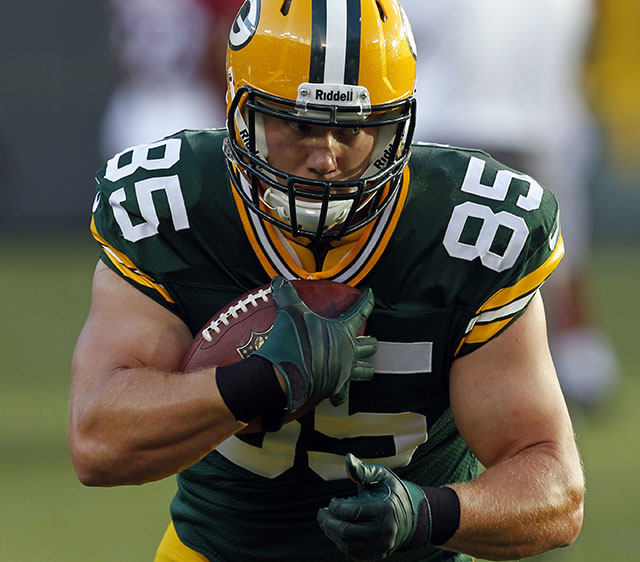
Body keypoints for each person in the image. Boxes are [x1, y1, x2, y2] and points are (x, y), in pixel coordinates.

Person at [69, 1, 584, 561]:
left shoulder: (466, 233)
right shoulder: (181, 208)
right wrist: (257, 380)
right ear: (244, 116)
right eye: (299, 125)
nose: (326, 157)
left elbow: (555, 489)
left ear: (396, 127)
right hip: (219, 550)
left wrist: (427, 512)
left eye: (355, 129)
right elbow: (98, 441)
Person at [401, 0, 618, 410]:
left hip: (450, 121)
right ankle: (579, 357)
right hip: (541, 125)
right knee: (556, 245)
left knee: (423, 252)